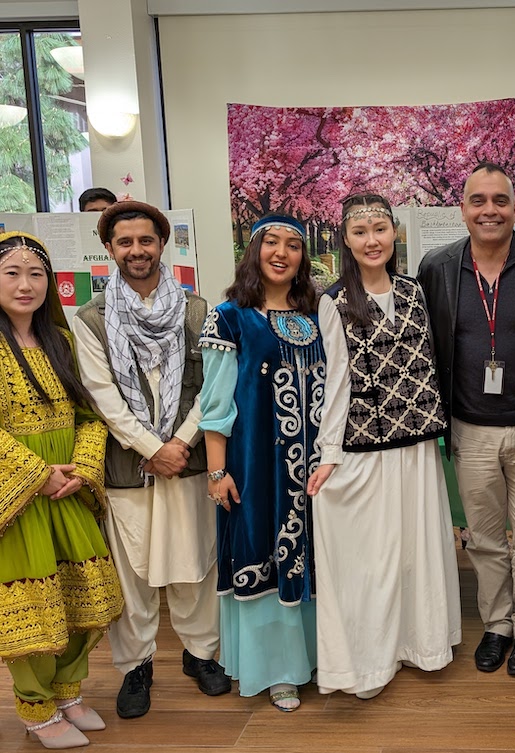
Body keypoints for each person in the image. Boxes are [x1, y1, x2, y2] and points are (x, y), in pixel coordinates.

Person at [73, 201, 229, 720]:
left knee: (194, 564)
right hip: (129, 468)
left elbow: (210, 388)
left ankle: (200, 654)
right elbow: (101, 394)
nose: (136, 250)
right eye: (125, 242)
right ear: (110, 249)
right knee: (133, 573)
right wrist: (149, 448)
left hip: (185, 460)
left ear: (163, 244)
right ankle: (135, 666)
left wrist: (178, 445)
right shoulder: (91, 320)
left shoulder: (198, 311)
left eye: (146, 240)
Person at [306, 193, 461, 699]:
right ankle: (368, 663)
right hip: (364, 446)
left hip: (415, 446)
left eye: (380, 229)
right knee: (372, 558)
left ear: (395, 233)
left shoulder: (416, 292)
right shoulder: (333, 302)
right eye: (359, 232)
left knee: (417, 550)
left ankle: (422, 644)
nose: (371, 240)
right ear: (345, 241)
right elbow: (333, 383)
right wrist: (329, 454)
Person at [417, 162, 515, 676]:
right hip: (469, 426)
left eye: (500, 200)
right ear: (463, 209)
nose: (489, 210)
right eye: (478, 201)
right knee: (486, 538)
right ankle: (497, 625)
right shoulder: (438, 267)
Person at [0, 231, 123, 749]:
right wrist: (35, 472)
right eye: (12, 273)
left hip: (66, 487)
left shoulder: (61, 340)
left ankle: (67, 691)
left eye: (36, 274)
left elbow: (87, 414)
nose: (26, 284)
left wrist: (82, 469)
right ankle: (35, 708)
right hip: (20, 496)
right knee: (33, 607)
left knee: (85, 598)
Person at [198, 215, 322, 712]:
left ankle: (315, 658)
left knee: (314, 555)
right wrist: (216, 470)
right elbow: (215, 404)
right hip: (255, 467)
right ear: (253, 250)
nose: (282, 252)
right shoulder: (229, 316)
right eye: (271, 242)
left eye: (294, 245)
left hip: (315, 469)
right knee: (263, 552)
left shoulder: (317, 313)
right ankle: (278, 670)